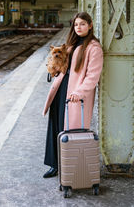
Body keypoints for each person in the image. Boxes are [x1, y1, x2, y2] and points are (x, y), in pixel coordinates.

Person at [42, 12, 103, 178]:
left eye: (83, 24)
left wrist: (80, 92)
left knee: (69, 129)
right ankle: (55, 165)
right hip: (61, 89)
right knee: (55, 125)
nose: (79, 27)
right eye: (76, 24)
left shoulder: (94, 48)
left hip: (75, 94)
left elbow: (93, 76)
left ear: (90, 25)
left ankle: (69, 166)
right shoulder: (72, 44)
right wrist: (53, 68)